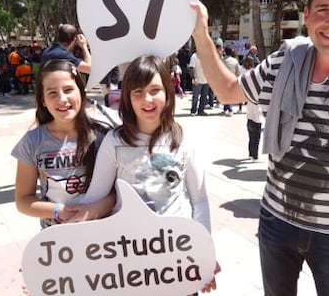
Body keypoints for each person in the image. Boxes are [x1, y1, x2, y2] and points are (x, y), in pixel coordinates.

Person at [190, 0, 329, 295]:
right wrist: (201, 33)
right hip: (276, 224)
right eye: (322, 9)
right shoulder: (283, 63)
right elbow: (228, 92)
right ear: (307, 16)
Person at [74, 55, 220, 294]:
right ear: (127, 97)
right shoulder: (114, 141)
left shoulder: (183, 139)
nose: (147, 99)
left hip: (178, 260)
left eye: (155, 90)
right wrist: (60, 258)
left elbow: (199, 201)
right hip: (130, 263)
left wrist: (204, 253)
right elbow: (94, 199)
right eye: (138, 92)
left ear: (168, 92)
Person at [11, 59, 115, 230]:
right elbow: (23, 200)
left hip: (102, 237)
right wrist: (59, 210)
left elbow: (119, 189)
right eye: (52, 93)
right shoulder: (31, 142)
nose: (62, 99)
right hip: (56, 241)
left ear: (81, 92)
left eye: (68, 90)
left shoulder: (104, 136)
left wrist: (94, 211)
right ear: (43, 100)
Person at [240, 56, 262, 161]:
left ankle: (250, 153)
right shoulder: (253, 74)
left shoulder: (243, 71)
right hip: (257, 115)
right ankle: (255, 155)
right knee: (256, 136)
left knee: (251, 135)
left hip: (249, 113)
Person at [189, 49, 210, 116]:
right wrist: (194, 78)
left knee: (204, 97)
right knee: (195, 97)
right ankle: (193, 110)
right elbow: (191, 68)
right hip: (197, 80)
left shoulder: (207, 56)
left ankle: (201, 110)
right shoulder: (194, 56)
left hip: (206, 80)